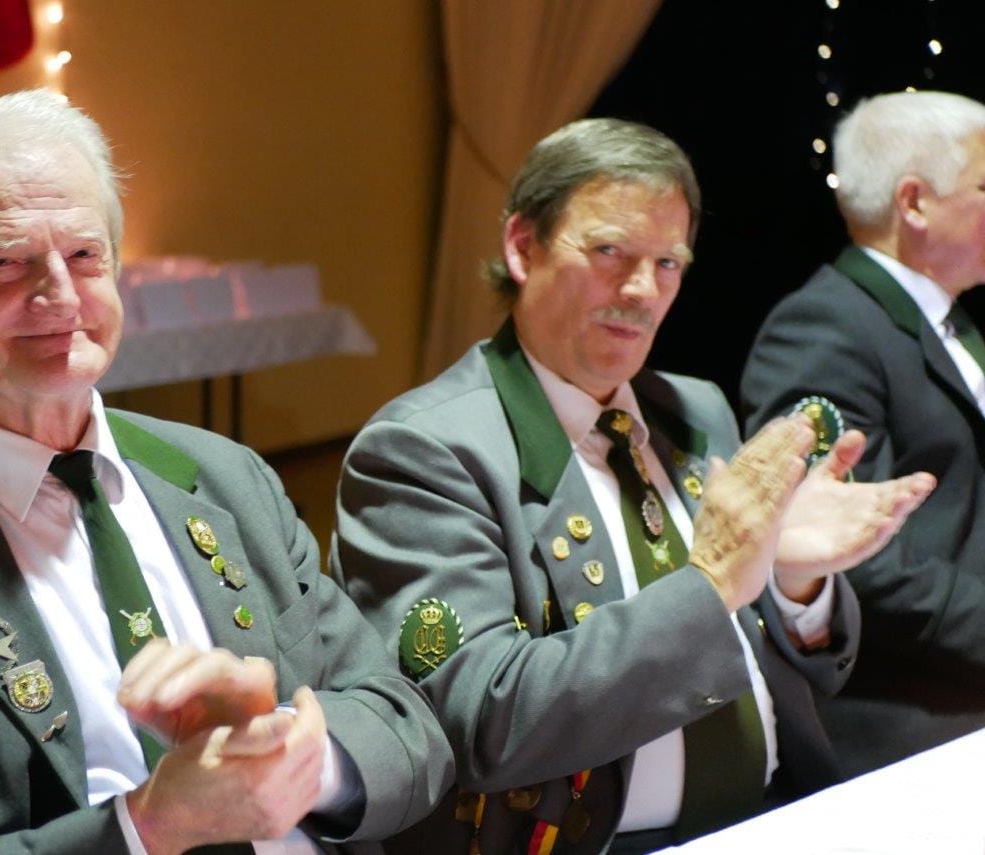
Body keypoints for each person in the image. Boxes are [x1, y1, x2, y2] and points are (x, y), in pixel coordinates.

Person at [0, 90, 452, 855]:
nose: (59, 295)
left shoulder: (227, 477)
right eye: (5, 262)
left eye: (84, 255)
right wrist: (146, 827)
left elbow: (404, 725)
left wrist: (301, 763)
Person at [331, 118, 934, 853]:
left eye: (668, 262)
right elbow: (480, 721)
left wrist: (793, 581)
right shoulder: (424, 450)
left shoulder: (696, 408)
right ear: (522, 245)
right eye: (609, 251)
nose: (643, 289)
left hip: (781, 812)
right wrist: (713, 583)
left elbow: (795, 664)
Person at [742, 90, 985, 776]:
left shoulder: (951, 323)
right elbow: (853, 552)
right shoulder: (822, 328)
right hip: (906, 731)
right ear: (914, 202)